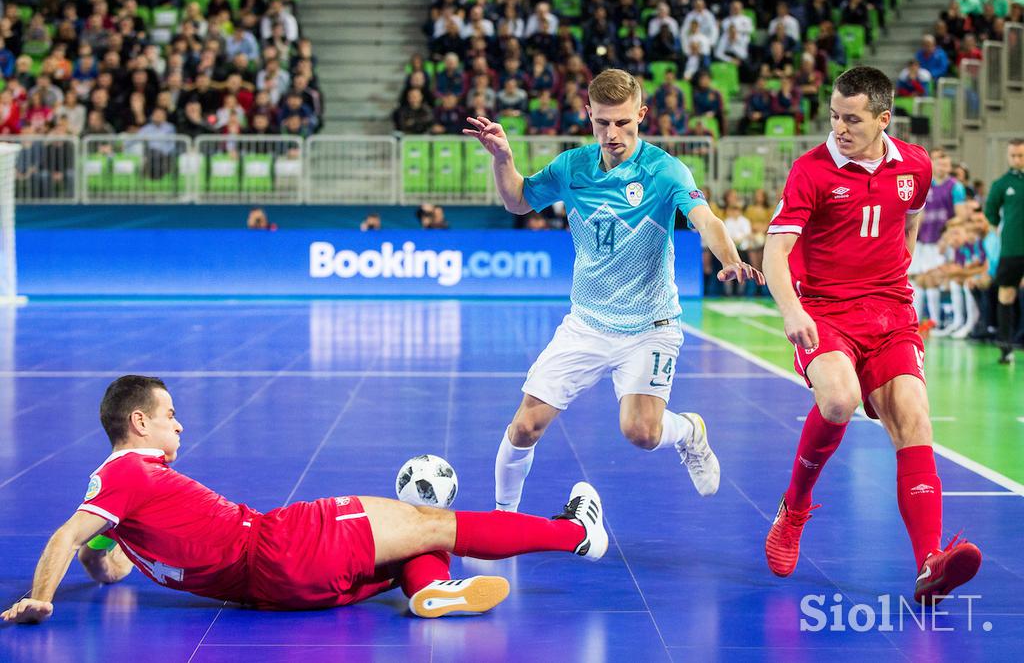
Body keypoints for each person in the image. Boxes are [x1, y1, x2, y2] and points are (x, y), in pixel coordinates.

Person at [1, 376, 609, 624]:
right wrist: (38, 598)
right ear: (138, 422)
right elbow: (66, 535)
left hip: (273, 592)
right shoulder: (128, 473)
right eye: (170, 416)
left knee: (403, 550)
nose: (179, 426)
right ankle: (576, 532)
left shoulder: (122, 506)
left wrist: (96, 556)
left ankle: (428, 588)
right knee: (434, 523)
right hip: (281, 540)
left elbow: (104, 566)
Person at [463, 68, 764, 513]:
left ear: (641, 114)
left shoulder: (665, 171)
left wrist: (730, 258)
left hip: (650, 325)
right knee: (525, 426)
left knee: (642, 432)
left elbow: (706, 220)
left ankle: (690, 432)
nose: (612, 133)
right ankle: (503, 519)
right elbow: (518, 201)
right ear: (589, 115)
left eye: (623, 122)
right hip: (586, 323)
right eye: (603, 122)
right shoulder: (572, 166)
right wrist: (503, 158)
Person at [762, 66, 982, 606]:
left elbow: (908, 216)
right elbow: (775, 253)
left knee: (914, 416)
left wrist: (898, 268)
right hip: (825, 311)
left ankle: (930, 563)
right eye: (835, 115)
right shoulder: (810, 171)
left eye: (852, 119)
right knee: (838, 400)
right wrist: (791, 308)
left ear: (884, 119)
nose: (839, 127)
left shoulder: (915, 166)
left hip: (890, 313)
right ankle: (793, 509)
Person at [912, 148, 967, 334]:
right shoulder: (926, 185)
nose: (943, 166)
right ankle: (916, 323)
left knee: (935, 280)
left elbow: (961, 216)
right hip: (922, 240)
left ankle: (937, 322)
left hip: (940, 242)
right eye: (939, 163)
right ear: (932, 164)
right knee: (918, 281)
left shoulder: (955, 186)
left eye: (946, 164)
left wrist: (946, 232)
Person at [984, 138, 1024, 364]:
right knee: (1006, 295)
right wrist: (999, 236)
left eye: (1020, 155)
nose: (1017, 159)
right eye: (1013, 156)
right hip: (1011, 250)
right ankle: (1006, 347)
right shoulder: (1001, 184)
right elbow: (990, 214)